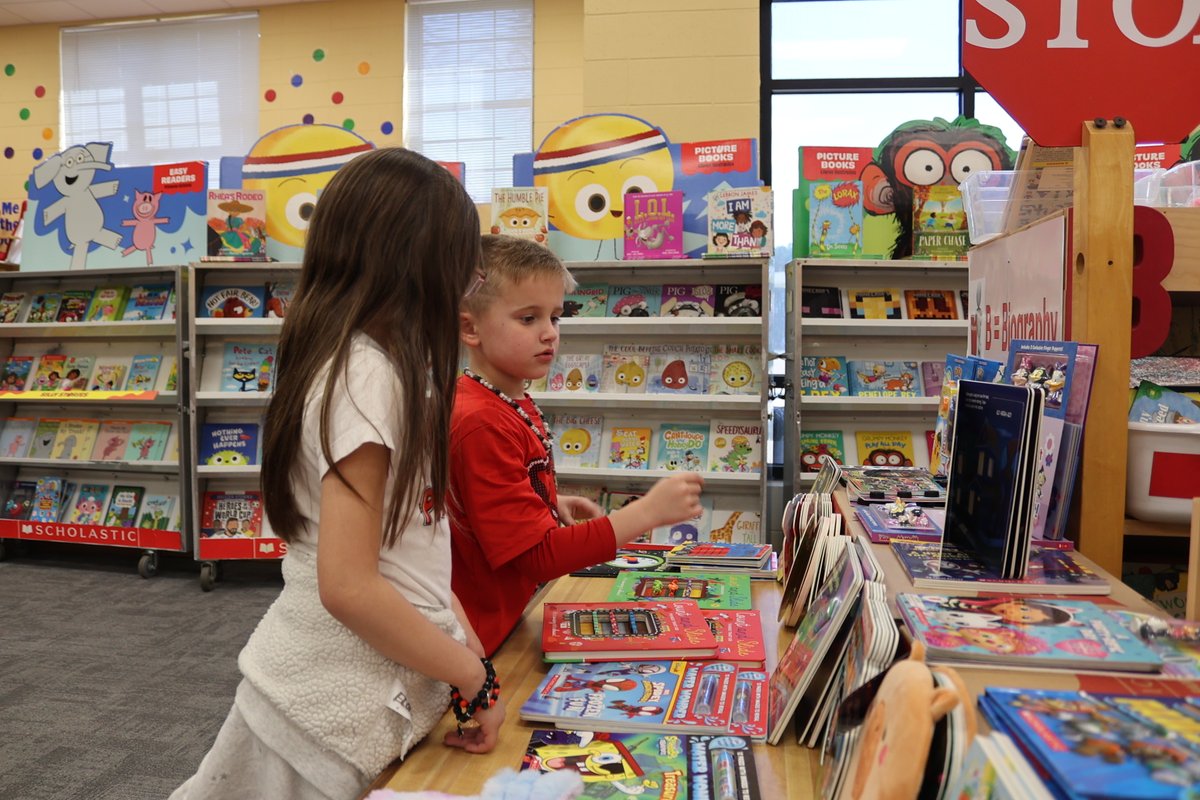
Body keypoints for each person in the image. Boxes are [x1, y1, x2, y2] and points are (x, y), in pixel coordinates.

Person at [170, 148, 503, 800]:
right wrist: (471, 675)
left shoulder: (373, 367)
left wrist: (472, 663)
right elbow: (349, 586)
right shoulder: (368, 375)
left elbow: (416, 559)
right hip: (323, 714)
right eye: (463, 271)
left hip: (342, 702)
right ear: (420, 271)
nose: (467, 289)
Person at [451, 235, 705, 656]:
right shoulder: (479, 421)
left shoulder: (506, 399)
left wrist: (549, 501)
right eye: (528, 318)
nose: (549, 333)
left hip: (511, 622)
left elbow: (490, 503)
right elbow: (539, 557)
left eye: (556, 316)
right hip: (486, 645)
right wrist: (646, 513)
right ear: (470, 328)